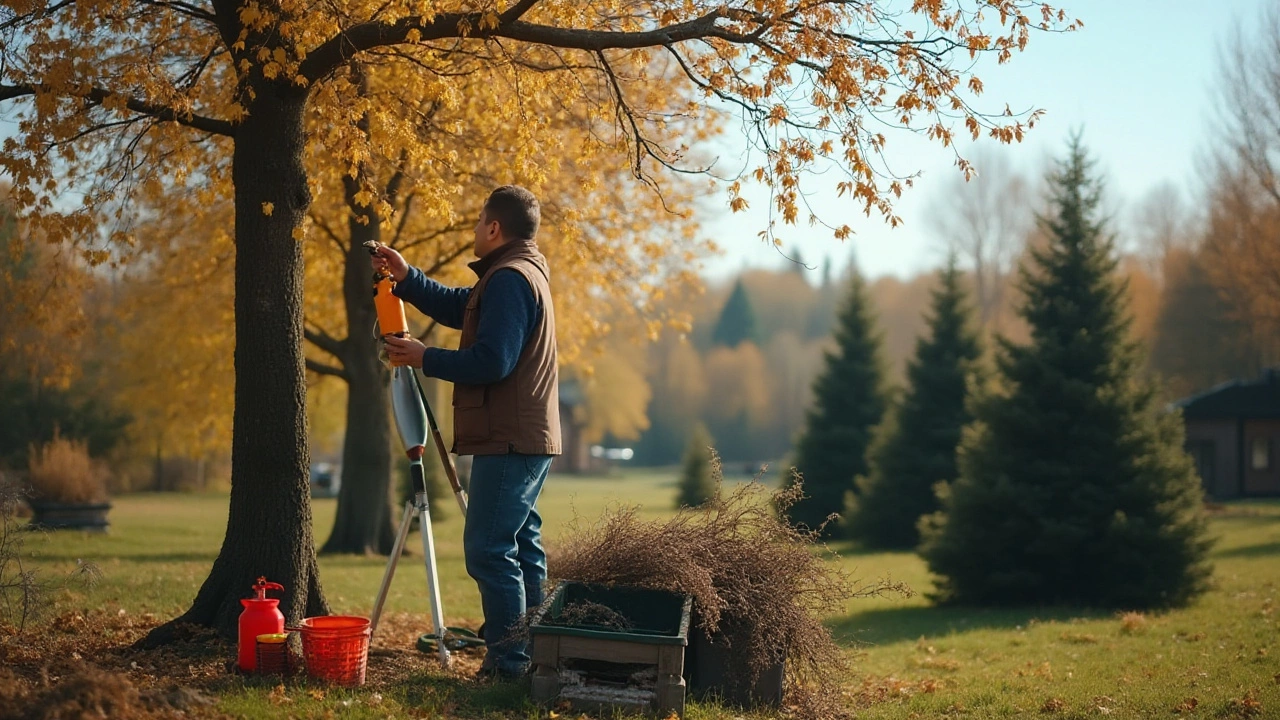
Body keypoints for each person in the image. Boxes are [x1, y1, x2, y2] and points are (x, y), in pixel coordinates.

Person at [370, 185, 560, 680]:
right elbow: (462, 309)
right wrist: (406, 278)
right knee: (520, 546)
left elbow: (492, 361)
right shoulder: (515, 273)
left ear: (494, 228)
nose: (475, 228)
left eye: (479, 220)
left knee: (489, 549)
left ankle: (509, 667)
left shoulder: (510, 279)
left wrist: (424, 357)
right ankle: (536, 656)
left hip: (510, 437)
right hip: (525, 435)